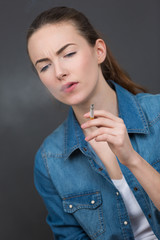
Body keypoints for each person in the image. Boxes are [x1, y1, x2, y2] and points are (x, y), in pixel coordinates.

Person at [27, 6, 160, 239]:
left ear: (99, 51)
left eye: (68, 54)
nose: (59, 72)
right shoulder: (50, 160)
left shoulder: (157, 113)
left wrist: (132, 160)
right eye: (45, 66)